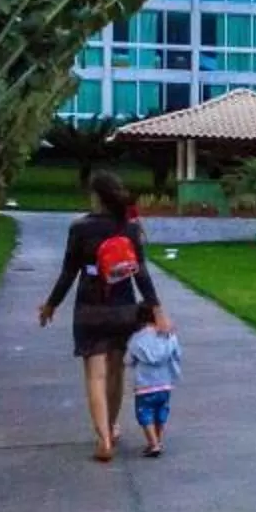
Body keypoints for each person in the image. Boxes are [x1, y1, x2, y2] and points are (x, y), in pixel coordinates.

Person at [37, 171, 158, 463]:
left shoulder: (80, 228)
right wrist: (156, 309)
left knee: (95, 374)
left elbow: (68, 272)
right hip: (123, 307)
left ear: (96, 197)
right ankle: (113, 427)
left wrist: (51, 305)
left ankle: (103, 438)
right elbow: (141, 273)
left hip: (89, 307)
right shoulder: (128, 228)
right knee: (116, 371)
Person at [124, 302, 182, 460]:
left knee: (145, 413)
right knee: (161, 411)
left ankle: (153, 443)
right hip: (165, 383)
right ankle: (158, 439)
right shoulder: (168, 336)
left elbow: (128, 360)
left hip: (145, 385)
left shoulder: (136, 339)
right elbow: (177, 354)